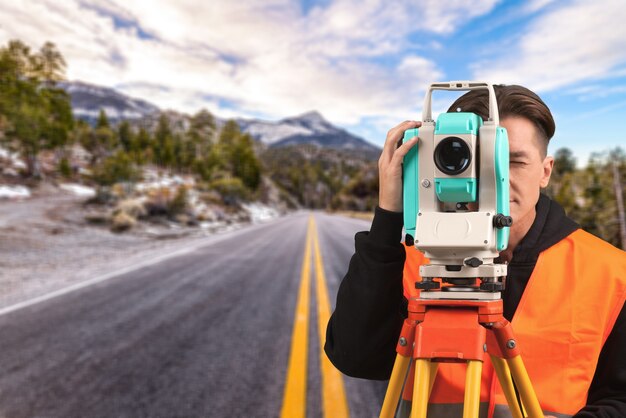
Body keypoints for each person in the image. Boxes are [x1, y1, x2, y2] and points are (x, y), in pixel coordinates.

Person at [325, 85, 626, 417]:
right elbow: (356, 358)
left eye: (513, 161)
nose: (493, 178)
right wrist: (388, 215)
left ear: (545, 170)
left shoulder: (611, 273)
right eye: (474, 160)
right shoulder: (414, 261)